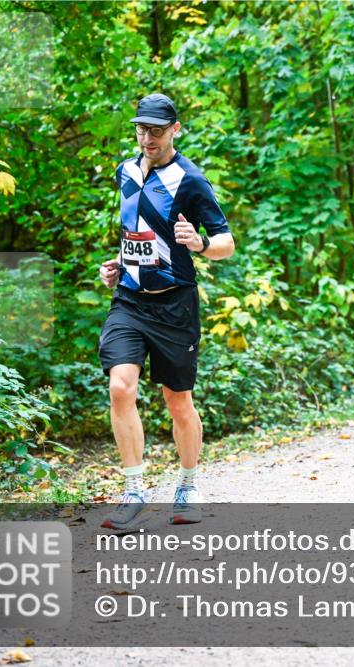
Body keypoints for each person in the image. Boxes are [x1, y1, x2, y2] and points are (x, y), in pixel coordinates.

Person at [97, 93, 234, 529]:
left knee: (178, 402)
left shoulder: (190, 180)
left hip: (175, 305)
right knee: (121, 387)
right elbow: (135, 230)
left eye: (156, 130)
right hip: (130, 301)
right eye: (141, 129)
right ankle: (134, 490)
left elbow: (226, 244)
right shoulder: (125, 171)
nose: (147, 137)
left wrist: (201, 244)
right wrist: (121, 263)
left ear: (175, 129)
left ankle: (188, 484)